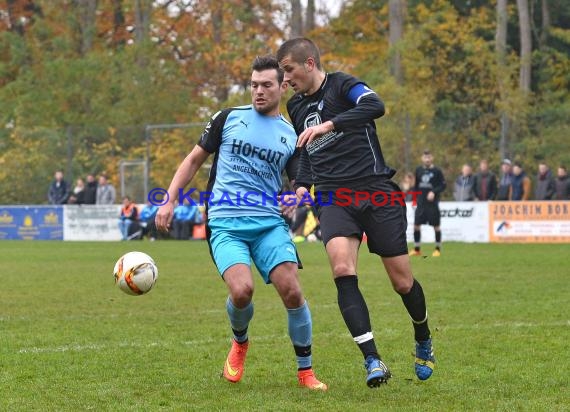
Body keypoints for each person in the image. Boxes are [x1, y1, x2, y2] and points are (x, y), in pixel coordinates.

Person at [155, 55, 327, 390]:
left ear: (282, 87)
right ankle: (240, 342)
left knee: (291, 291)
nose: (258, 91)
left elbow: (300, 180)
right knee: (242, 291)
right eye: (253, 85)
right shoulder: (228, 118)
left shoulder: (291, 135)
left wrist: (298, 196)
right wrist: (170, 198)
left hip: (268, 225)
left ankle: (306, 372)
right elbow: (193, 160)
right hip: (225, 222)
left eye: (266, 85)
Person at [277, 38, 435, 387]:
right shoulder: (295, 107)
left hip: (376, 190)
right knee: (342, 268)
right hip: (334, 196)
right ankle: (373, 360)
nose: (285, 79)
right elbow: (305, 152)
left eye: (288, 70)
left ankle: (422, 336)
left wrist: (330, 124)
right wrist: (301, 184)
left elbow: (375, 105)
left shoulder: (344, 85)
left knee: (402, 282)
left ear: (309, 63)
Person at [411, 150, 446, 257]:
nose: (427, 159)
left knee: (436, 226)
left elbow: (443, 185)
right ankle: (417, 249)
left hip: (432, 204)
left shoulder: (437, 171)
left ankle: (437, 249)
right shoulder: (418, 170)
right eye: (425, 157)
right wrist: (414, 200)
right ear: (422, 159)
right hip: (421, 203)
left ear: (432, 158)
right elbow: (416, 186)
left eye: (429, 157)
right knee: (416, 225)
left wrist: (433, 192)